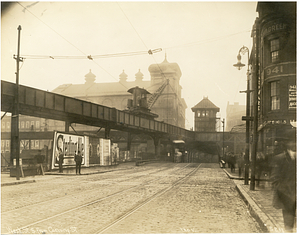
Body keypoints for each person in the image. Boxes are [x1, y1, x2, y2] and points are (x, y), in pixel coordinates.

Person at [271, 129, 296, 232]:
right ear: (287, 143)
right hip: (288, 199)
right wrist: (289, 192)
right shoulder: (280, 159)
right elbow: (275, 180)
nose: (295, 143)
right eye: (292, 141)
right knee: (288, 227)